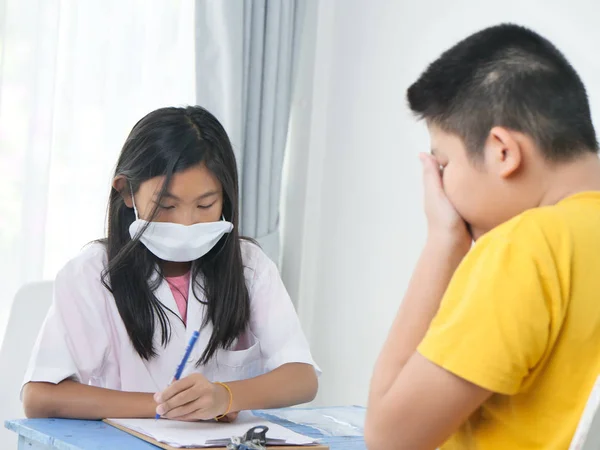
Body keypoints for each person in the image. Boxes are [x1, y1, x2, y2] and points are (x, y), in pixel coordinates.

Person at [365, 23, 600, 449]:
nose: (439, 184)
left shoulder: (528, 247)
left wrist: (443, 242)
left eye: (444, 163)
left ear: (502, 151)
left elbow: (389, 439)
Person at [22, 106, 319, 422]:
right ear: (126, 192)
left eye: (205, 205)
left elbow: (301, 378)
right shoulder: (92, 273)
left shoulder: (249, 267)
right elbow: (41, 396)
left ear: (226, 198)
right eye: (166, 206)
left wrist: (227, 397)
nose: (186, 223)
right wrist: (170, 406)